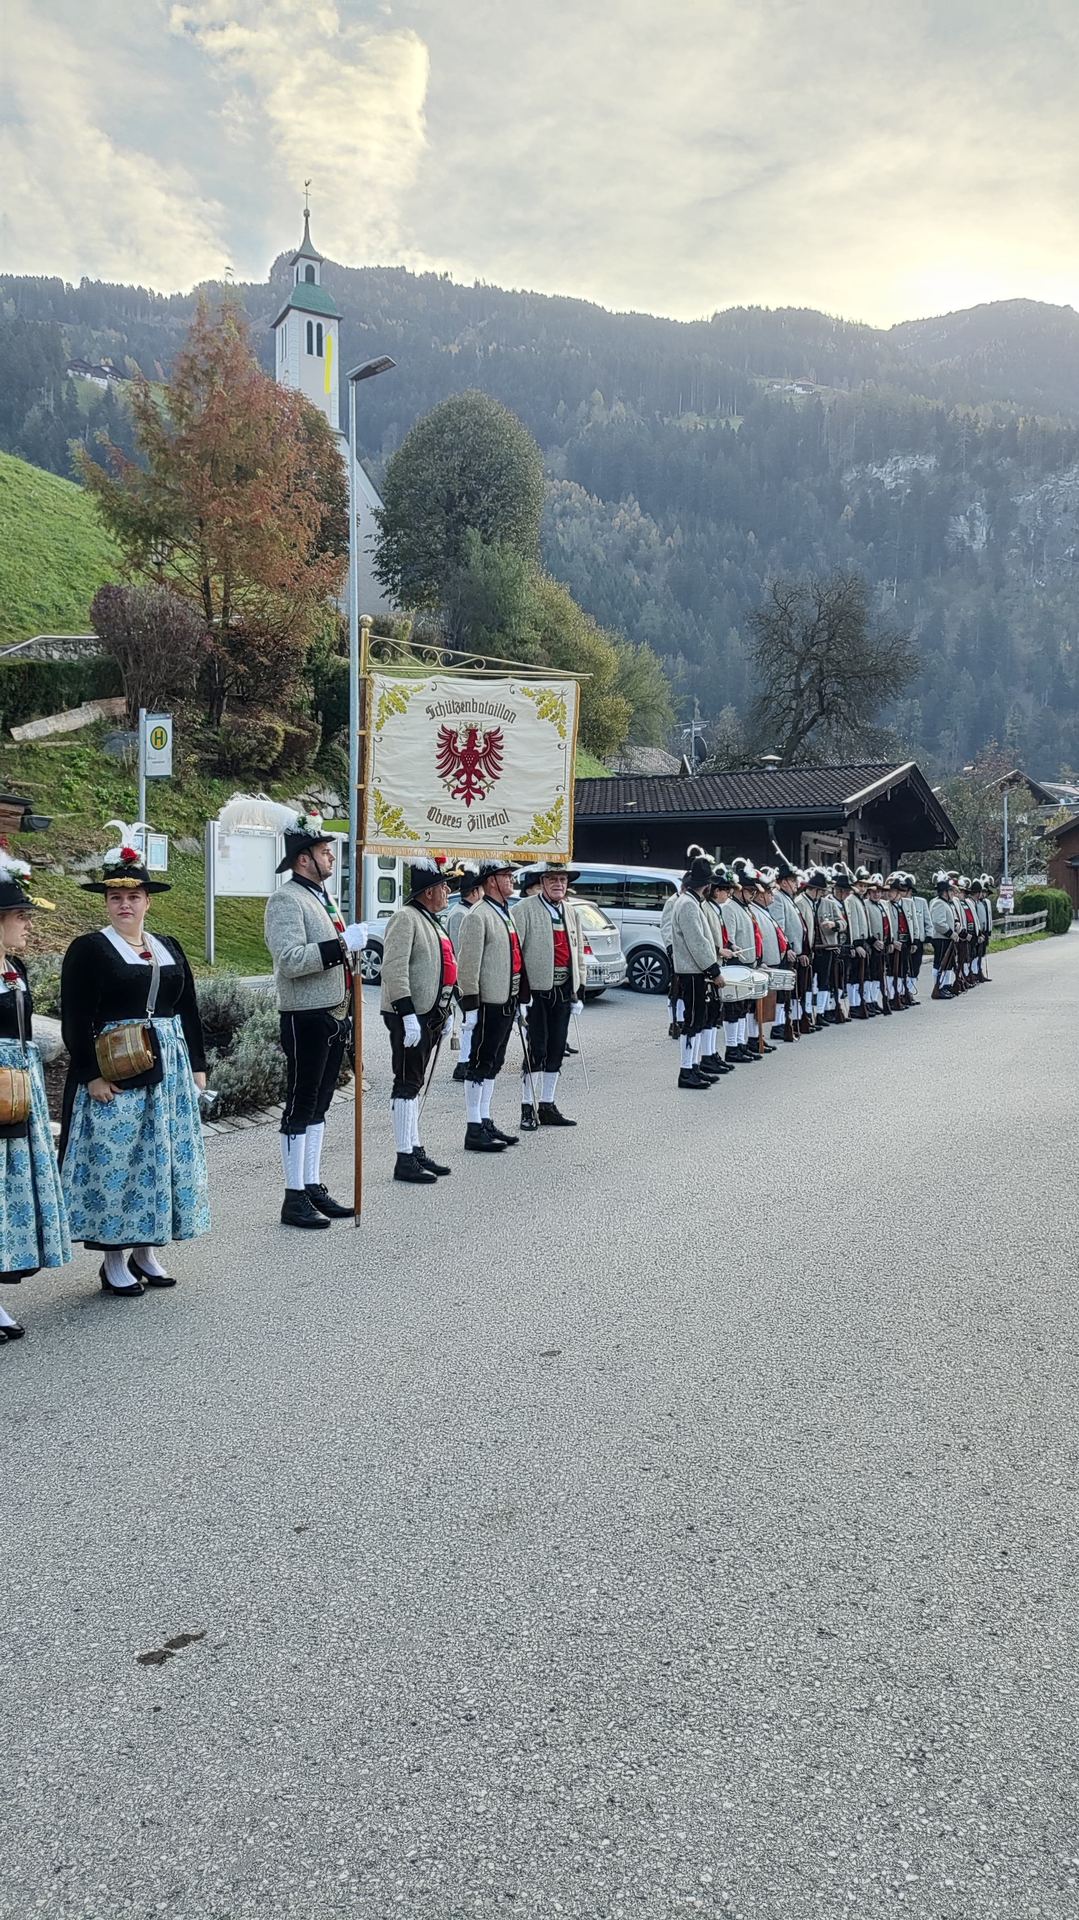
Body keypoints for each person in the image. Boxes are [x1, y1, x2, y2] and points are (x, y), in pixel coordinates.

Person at [60, 825, 209, 1294]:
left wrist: (198, 1065)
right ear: (107, 903)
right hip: (118, 1068)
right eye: (116, 897)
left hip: (168, 1071)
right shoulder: (90, 949)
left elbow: (188, 1009)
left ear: (148, 901)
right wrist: (90, 1075)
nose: (125, 904)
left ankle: (146, 1252)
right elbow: (75, 1017)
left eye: (133, 896)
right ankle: (113, 1259)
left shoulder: (169, 946)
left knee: (158, 1160)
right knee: (119, 1162)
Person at [261, 806, 366, 1229]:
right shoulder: (285, 899)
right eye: (324, 851)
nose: (331, 856)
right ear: (303, 858)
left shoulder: (321, 896)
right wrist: (340, 947)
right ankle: (293, 1195)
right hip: (304, 1014)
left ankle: (311, 1183)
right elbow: (289, 961)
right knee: (301, 1102)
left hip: (332, 1013)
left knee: (321, 1101)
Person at [0, 854, 70, 1342]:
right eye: (21, 916)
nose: (28, 924)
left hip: (19, 1088)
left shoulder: (15, 967)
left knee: (10, 1192)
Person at [380, 857, 458, 1184]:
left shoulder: (431, 919)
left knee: (415, 1082)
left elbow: (443, 966)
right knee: (407, 1081)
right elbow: (394, 968)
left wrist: (448, 1009)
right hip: (410, 1014)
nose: (448, 890)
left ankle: (414, 1147)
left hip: (431, 1012)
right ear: (428, 891)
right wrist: (407, 1013)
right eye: (443, 886)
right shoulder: (406, 918)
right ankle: (404, 1157)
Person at [456, 860, 526, 1151]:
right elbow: (467, 966)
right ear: (491, 881)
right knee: (480, 1063)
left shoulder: (505, 911)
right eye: (506, 875)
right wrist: (470, 1006)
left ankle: (485, 1119)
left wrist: (522, 997)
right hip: (487, 1002)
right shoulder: (478, 915)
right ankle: (473, 1127)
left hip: (506, 999)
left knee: (494, 1062)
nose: (511, 879)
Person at [511, 862, 587, 1129]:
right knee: (537, 1048)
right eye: (553, 879)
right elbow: (515, 953)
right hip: (536, 991)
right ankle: (527, 1106)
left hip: (563, 989)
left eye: (562, 879)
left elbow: (578, 952)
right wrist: (519, 993)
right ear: (542, 882)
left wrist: (579, 988)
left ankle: (547, 1104)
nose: (558, 884)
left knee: (557, 1047)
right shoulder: (524, 910)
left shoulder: (571, 912)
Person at [671, 848, 723, 1089]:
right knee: (692, 1020)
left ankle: (693, 1066)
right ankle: (686, 1070)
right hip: (691, 971)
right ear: (707, 885)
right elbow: (697, 942)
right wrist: (713, 970)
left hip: (694, 970)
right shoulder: (688, 905)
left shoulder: (691, 901)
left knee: (698, 1019)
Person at [446, 868, 482, 1082]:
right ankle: (463, 1063)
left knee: (473, 1020)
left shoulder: (465, 911)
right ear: (475, 891)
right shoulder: (460, 914)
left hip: (464, 977)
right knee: (471, 1020)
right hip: (462, 979)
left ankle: (468, 1060)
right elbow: (461, 951)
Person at [929, 871, 959, 999]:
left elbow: (951, 918)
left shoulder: (946, 903)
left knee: (948, 964)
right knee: (940, 963)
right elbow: (938, 923)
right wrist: (951, 933)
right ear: (945, 892)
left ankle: (945, 986)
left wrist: (956, 925)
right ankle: (938, 987)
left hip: (946, 938)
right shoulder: (938, 903)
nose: (953, 893)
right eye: (950, 891)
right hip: (941, 938)